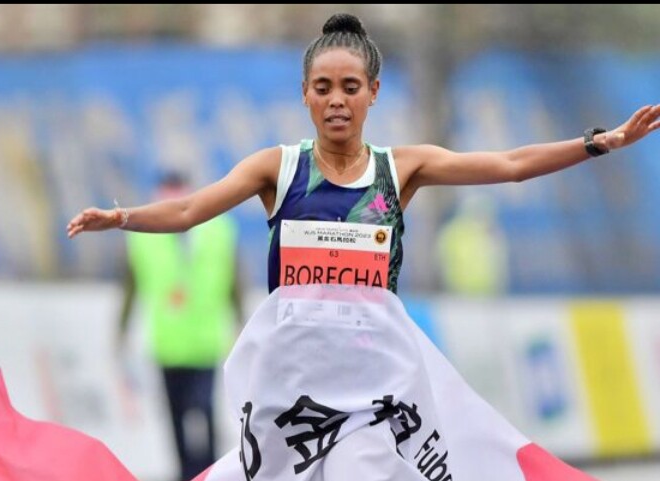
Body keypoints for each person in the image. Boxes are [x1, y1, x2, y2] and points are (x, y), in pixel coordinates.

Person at [68, 13, 660, 481]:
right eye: (323, 88)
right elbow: (189, 210)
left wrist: (598, 142)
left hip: (376, 389)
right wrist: (121, 217)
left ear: (373, 92)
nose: (336, 100)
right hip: (292, 390)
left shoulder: (400, 169)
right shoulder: (277, 168)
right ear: (304, 94)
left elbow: (508, 164)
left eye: (350, 87)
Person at [117, 171, 243, 481]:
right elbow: (131, 287)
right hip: (168, 344)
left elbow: (234, 281)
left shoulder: (218, 231)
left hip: (205, 341)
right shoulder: (144, 238)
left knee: (202, 409)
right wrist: (121, 331)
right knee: (175, 414)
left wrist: (241, 323)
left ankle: (208, 471)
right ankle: (185, 473)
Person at [435, 192, 509, 296]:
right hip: (459, 292)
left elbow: (500, 264)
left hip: (488, 293)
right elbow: (440, 262)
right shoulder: (453, 232)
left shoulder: (492, 232)